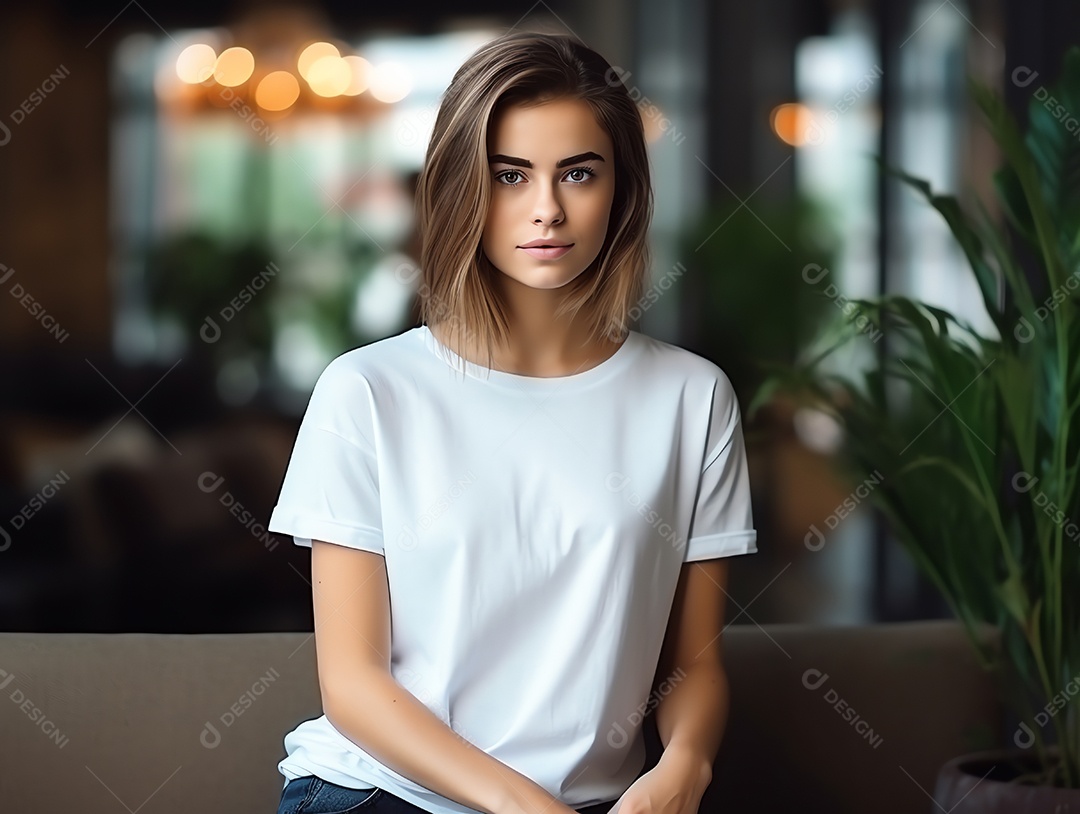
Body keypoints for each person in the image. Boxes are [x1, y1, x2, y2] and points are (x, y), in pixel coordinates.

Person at [269, 30, 757, 814]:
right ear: (464, 187)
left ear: (622, 190)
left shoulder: (692, 399)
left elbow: (691, 665)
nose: (547, 210)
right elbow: (353, 684)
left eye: (579, 173)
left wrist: (683, 769)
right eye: (510, 175)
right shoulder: (366, 391)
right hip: (386, 793)